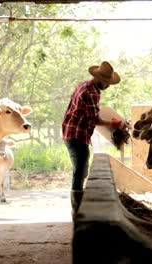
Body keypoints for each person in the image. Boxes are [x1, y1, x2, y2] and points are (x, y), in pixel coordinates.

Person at [62, 61, 129, 218]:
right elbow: (94, 120)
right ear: (100, 80)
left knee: (81, 169)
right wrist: (113, 123)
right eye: (107, 83)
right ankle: (77, 210)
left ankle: (78, 205)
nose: (108, 86)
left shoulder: (83, 85)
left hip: (70, 131)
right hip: (77, 134)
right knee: (80, 170)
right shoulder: (92, 93)